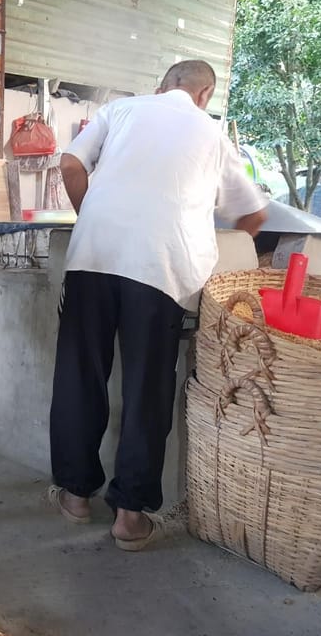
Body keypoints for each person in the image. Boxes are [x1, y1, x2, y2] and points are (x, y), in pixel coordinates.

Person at [47, 60, 268, 550]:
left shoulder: (120, 109)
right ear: (204, 94)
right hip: (163, 271)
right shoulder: (212, 135)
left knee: (80, 374)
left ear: (160, 86)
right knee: (149, 388)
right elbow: (253, 213)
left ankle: (76, 496)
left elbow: (69, 164)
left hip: (93, 260)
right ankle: (129, 517)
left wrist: (96, 221)